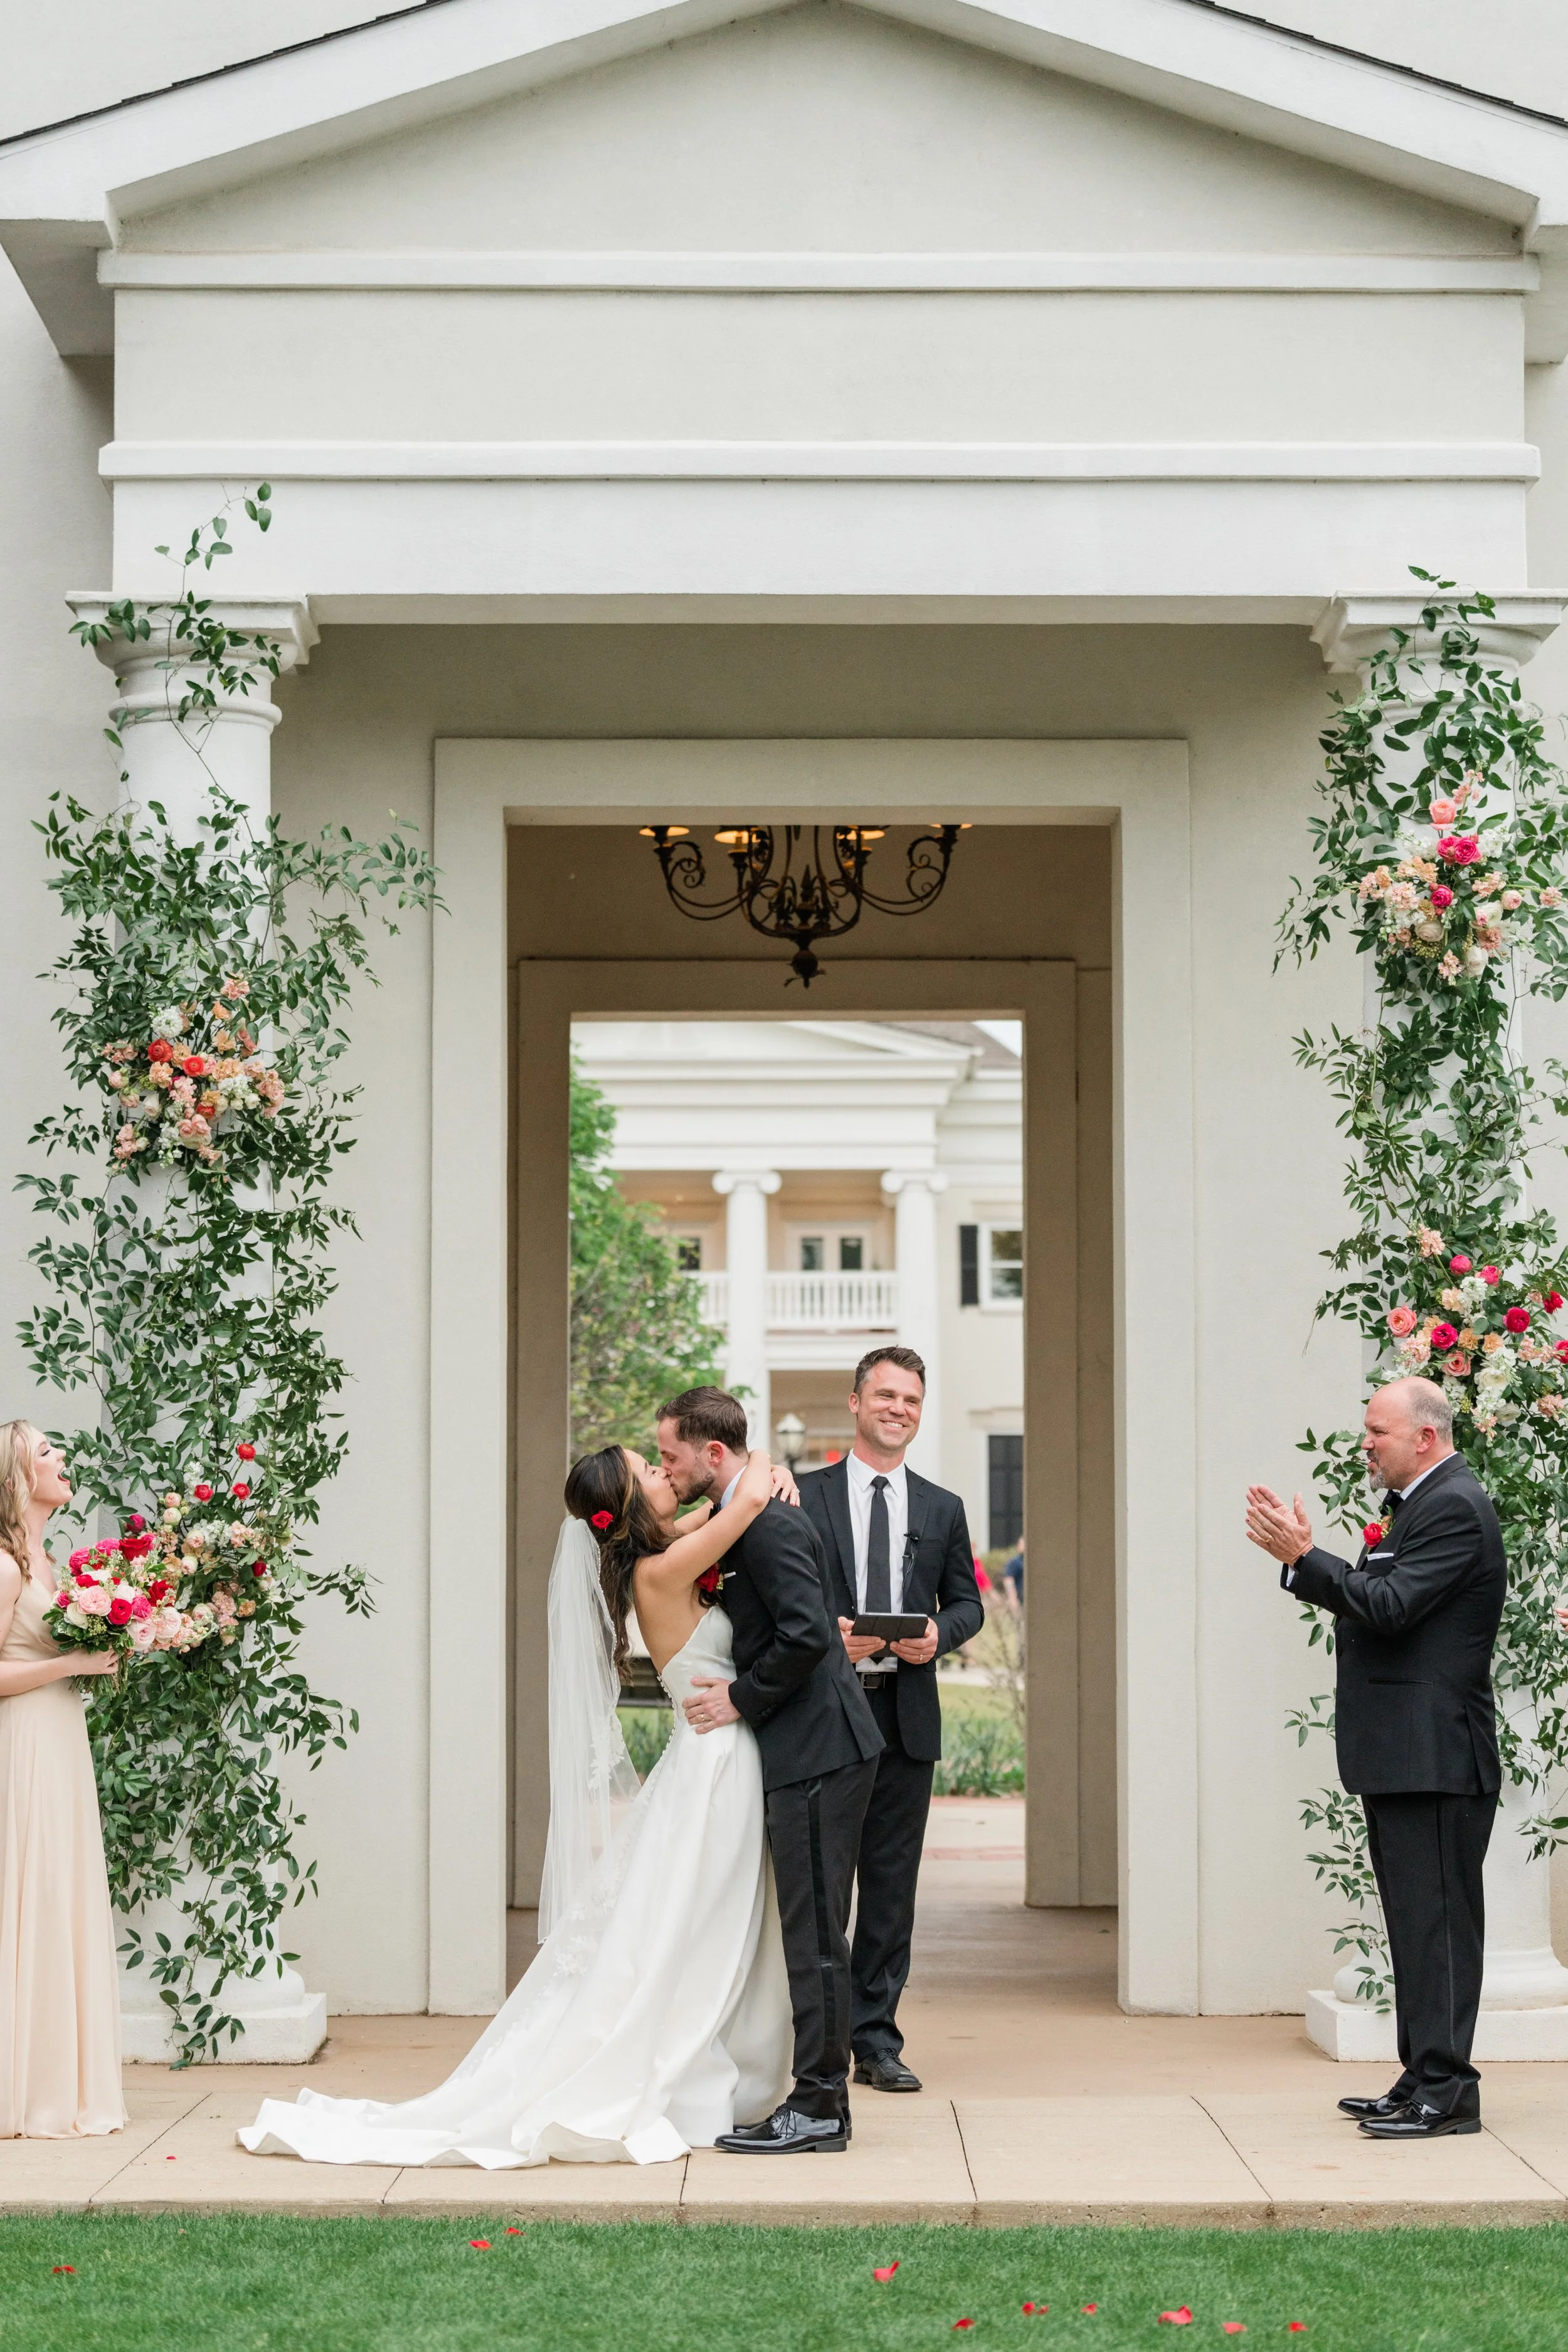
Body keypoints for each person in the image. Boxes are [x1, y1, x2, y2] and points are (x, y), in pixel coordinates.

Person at [241, 1440, 797, 2168]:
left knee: (703, 1924)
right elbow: (747, 1500)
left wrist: (745, 1483)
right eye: (649, 1469)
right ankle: (691, 2073)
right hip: (711, 1765)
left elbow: (724, 1510)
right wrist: (765, 1461)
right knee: (703, 1923)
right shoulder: (662, 1571)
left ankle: (724, 2068)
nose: (665, 1472)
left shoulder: (666, 1552)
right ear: (628, 1505)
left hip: (715, 1757)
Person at [1246, 1376, 1505, 2141]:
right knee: (1413, 1924)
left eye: (1376, 1432)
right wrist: (1304, 1564)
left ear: (1423, 1437)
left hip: (1436, 1758)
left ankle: (1449, 2091)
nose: (1365, 1444)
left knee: (1439, 1929)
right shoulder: (1422, 1506)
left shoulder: (1454, 1505)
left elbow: (1387, 1608)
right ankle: (1422, 2075)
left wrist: (1306, 1556)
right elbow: (1374, 1592)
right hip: (1403, 1756)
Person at [658, 1385, 884, 2154]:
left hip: (820, 1748)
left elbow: (804, 1633)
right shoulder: (743, 1517)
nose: (668, 1466)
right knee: (810, 1929)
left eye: (671, 1455)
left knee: (816, 1933)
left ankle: (820, 2104)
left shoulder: (764, 1524)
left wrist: (736, 1699)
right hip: (808, 1748)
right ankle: (819, 2098)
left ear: (712, 1453)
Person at [798, 1347, 982, 2092]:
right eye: (884, 1395)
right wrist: (823, 1637)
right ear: (854, 1402)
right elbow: (778, 1594)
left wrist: (942, 1633)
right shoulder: (802, 1497)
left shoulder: (942, 1508)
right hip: (827, 1718)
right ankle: (818, 2043)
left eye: (910, 1399)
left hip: (905, 1719)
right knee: (821, 1887)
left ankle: (876, 2042)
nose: (897, 1408)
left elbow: (966, 1600)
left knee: (889, 1888)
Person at [0, 1421, 125, 2140]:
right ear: (18, 1478)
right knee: (34, 1895)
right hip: (25, 1746)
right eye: (46, 1453)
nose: (62, 1458)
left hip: (61, 1741)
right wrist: (70, 1666)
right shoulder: (9, 1568)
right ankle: (26, 2090)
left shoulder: (49, 1562)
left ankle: (60, 2081)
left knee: (62, 1898)